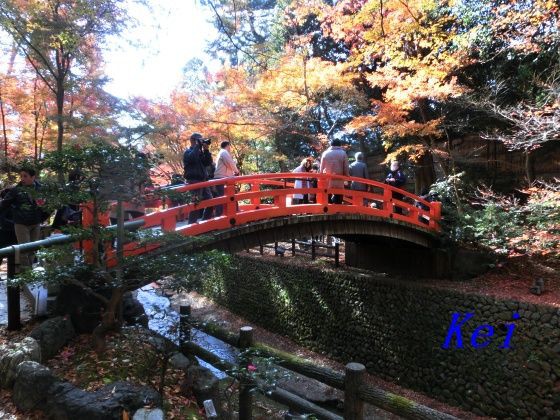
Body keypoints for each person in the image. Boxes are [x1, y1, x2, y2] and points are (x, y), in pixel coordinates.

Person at [0, 168, 49, 267]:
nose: (22, 178)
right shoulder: (16, 190)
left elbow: (48, 206)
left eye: (25, 176)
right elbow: (3, 205)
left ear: (33, 177)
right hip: (21, 223)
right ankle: (26, 274)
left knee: (33, 249)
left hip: (36, 222)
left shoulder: (41, 189)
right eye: (21, 176)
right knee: (24, 250)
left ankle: (29, 272)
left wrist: (41, 218)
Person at [183, 133, 214, 223]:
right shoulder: (187, 152)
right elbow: (192, 158)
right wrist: (197, 146)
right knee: (195, 205)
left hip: (204, 181)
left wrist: (206, 150)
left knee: (210, 202)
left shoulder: (200, 152)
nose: (201, 141)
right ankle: (191, 225)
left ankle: (205, 222)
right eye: (199, 140)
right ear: (193, 140)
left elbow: (208, 162)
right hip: (194, 182)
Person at [213, 141, 239, 216]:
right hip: (221, 178)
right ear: (227, 145)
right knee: (222, 197)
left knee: (222, 197)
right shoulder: (224, 152)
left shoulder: (221, 153)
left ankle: (224, 214)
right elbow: (230, 163)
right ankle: (221, 215)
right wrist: (237, 171)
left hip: (221, 177)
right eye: (229, 146)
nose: (230, 148)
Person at [319, 139, 349, 204]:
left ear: (331, 145)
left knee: (327, 194)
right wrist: (347, 176)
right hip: (339, 178)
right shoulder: (343, 153)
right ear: (340, 145)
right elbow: (346, 167)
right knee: (339, 195)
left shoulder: (325, 153)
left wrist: (321, 176)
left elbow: (321, 168)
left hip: (328, 178)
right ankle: (337, 210)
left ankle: (328, 210)